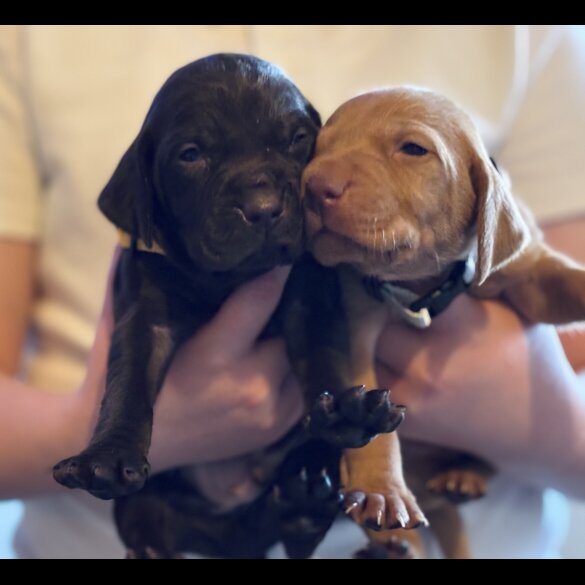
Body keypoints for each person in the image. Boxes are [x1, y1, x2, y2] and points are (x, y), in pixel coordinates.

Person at [0, 25, 583, 559]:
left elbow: (558, 314)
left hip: (486, 529)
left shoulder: (529, 37)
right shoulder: (33, 38)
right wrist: (98, 432)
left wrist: (547, 423)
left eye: (299, 144)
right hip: (105, 531)